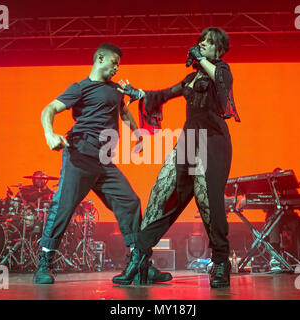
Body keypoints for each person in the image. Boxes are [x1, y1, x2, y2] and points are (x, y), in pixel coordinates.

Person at [113, 27, 240, 288]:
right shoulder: (189, 79)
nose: (202, 46)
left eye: (208, 43)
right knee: (161, 195)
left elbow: (221, 83)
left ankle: (220, 263)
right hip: (188, 141)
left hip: (212, 142)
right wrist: (138, 93)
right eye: (200, 42)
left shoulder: (222, 69)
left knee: (208, 203)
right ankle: (138, 259)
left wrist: (202, 59)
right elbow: (162, 94)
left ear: (219, 50)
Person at [35, 43, 171, 284]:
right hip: (80, 154)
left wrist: (137, 134)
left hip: (103, 160)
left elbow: (124, 113)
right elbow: (49, 109)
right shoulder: (80, 88)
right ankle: (44, 263)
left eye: (118, 64)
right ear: (99, 58)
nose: (117, 67)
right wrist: (49, 134)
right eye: (114, 62)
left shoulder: (116, 90)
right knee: (63, 207)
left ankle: (140, 264)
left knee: (130, 202)